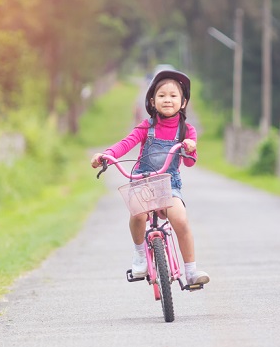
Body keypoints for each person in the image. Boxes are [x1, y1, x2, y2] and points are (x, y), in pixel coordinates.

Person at [90, 69, 210, 285]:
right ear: (152, 102)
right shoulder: (147, 127)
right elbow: (127, 143)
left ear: (183, 103)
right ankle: (140, 256)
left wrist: (190, 148)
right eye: (161, 96)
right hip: (143, 181)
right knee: (137, 216)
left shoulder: (187, 130)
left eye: (173, 96)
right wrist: (106, 155)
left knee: (180, 219)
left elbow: (191, 162)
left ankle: (191, 270)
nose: (167, 100)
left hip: (169, 183)